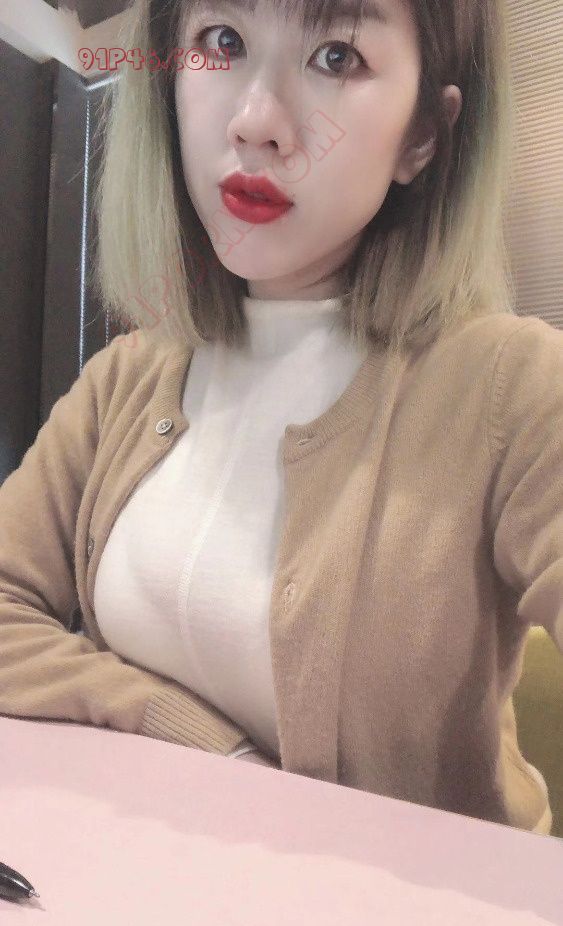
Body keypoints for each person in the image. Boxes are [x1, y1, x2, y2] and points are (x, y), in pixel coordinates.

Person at [0, 0, 561, 834]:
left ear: (422, 137)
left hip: (403, 909)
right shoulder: (127, 377)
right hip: (137, 887)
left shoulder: (511, 386)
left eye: (336, 57)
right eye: (221, 41)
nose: (256, 121)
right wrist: (189, 737)